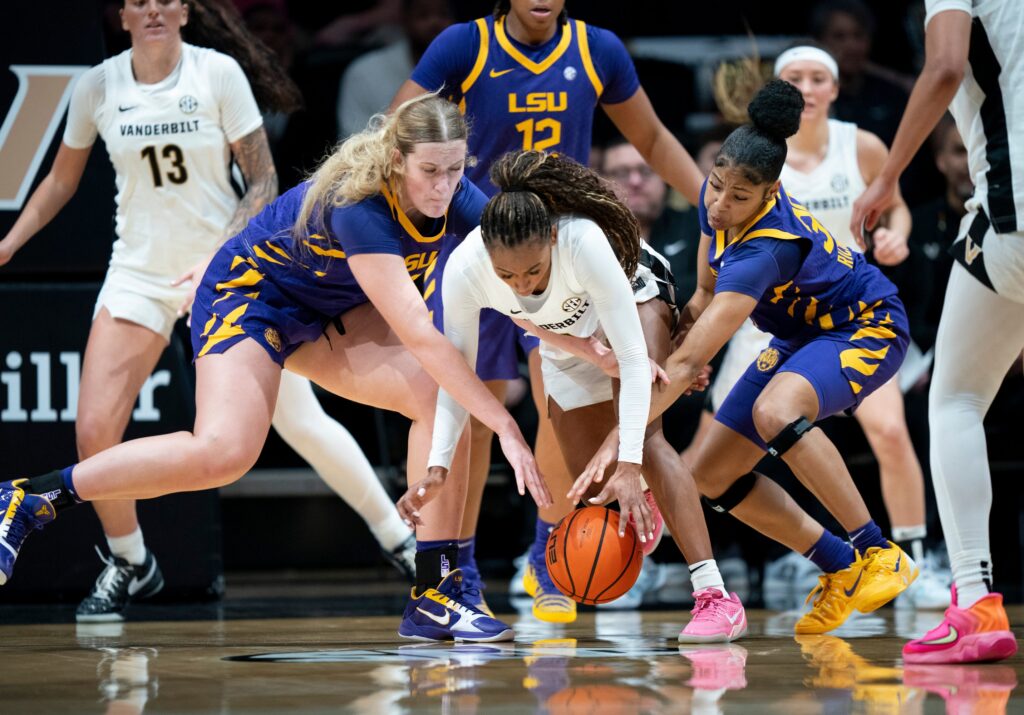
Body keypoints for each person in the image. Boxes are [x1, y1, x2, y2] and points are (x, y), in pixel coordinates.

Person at [0, 93, 550, 643]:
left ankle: (435, 594)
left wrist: (590, 332)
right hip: (251, 296)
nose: (442, 186)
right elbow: (421, 335)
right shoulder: (360, 206)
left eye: (455, 170)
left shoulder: (456, 195)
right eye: (429, 171)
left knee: (441, 399)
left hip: (330, 309)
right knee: (224, 452)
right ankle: (34, 497)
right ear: (397, 160)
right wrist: (504, 425)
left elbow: (526, 252)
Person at [0, 0, 423, 622]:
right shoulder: (98, 85)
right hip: (140, 273)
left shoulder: (217, 73)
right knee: (93, 430)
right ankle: (130, 561)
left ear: (182, 11)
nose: (150, 10)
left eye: (162, 0)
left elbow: (262, 181)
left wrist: (219, 258)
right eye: (137, 2)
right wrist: (9, 243)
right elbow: (62, 181)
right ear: (122, 16)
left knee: (298, 423)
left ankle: (400, 540)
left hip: (230, 274)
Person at [389, 0, 705, 622]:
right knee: (473, 405)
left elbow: (652, 138)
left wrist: (712, 209)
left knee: (553, 399)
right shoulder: (464, 46)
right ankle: (461, 570)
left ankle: (545, 556)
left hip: (559, 250)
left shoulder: (597, 50)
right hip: (480, 245)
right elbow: (394, 136)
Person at [573, 80, 917, 635]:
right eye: (715, 186)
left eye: (738, 196)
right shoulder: (720, 208)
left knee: (775, 412)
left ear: (770, 191)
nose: (719, 203)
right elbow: (704, 295)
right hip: (801, 335)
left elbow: (684, 369)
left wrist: (621, 441)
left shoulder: (766, 248)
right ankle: (840, 565)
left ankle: (878, 550)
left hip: (866, 325)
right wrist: (689, 337)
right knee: (709, 475)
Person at [411, 150, 746, 641]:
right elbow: (456, 376)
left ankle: (714, 596)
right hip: (563, 341)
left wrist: (630, 462)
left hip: (633, 303)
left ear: (550, 237)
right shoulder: (465, 270)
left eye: (533, 273)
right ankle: (646, 494)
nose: (522, 286)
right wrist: (437, 464)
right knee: (588, 490)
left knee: (645, 442)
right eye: (508, 278)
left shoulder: (583, 241)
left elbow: (631, 361)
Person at [707, 43, 951, 610]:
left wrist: (898, 234)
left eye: (819, 78)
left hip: (852, 314)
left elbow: (894, 206)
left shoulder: (858, 144)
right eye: (795, 78)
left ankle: (902, 555)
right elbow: (710, 276)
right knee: (712, 464)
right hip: (773, 320)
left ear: (836, 90)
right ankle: (829, 564)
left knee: (885, 431)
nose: (808, 88)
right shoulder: (744, 166)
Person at [851, 0, 1022, 665]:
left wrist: (887, 177)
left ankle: (975, 601)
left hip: (1014, 211)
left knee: (954, 398)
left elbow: (947, 63)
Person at [337, 0, 453, 139]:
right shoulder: (364, 72)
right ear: (404, 20)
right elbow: (352, 142)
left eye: (443, 14)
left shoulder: (469, 69)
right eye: (423, 15)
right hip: (381, 158)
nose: (434, 22)